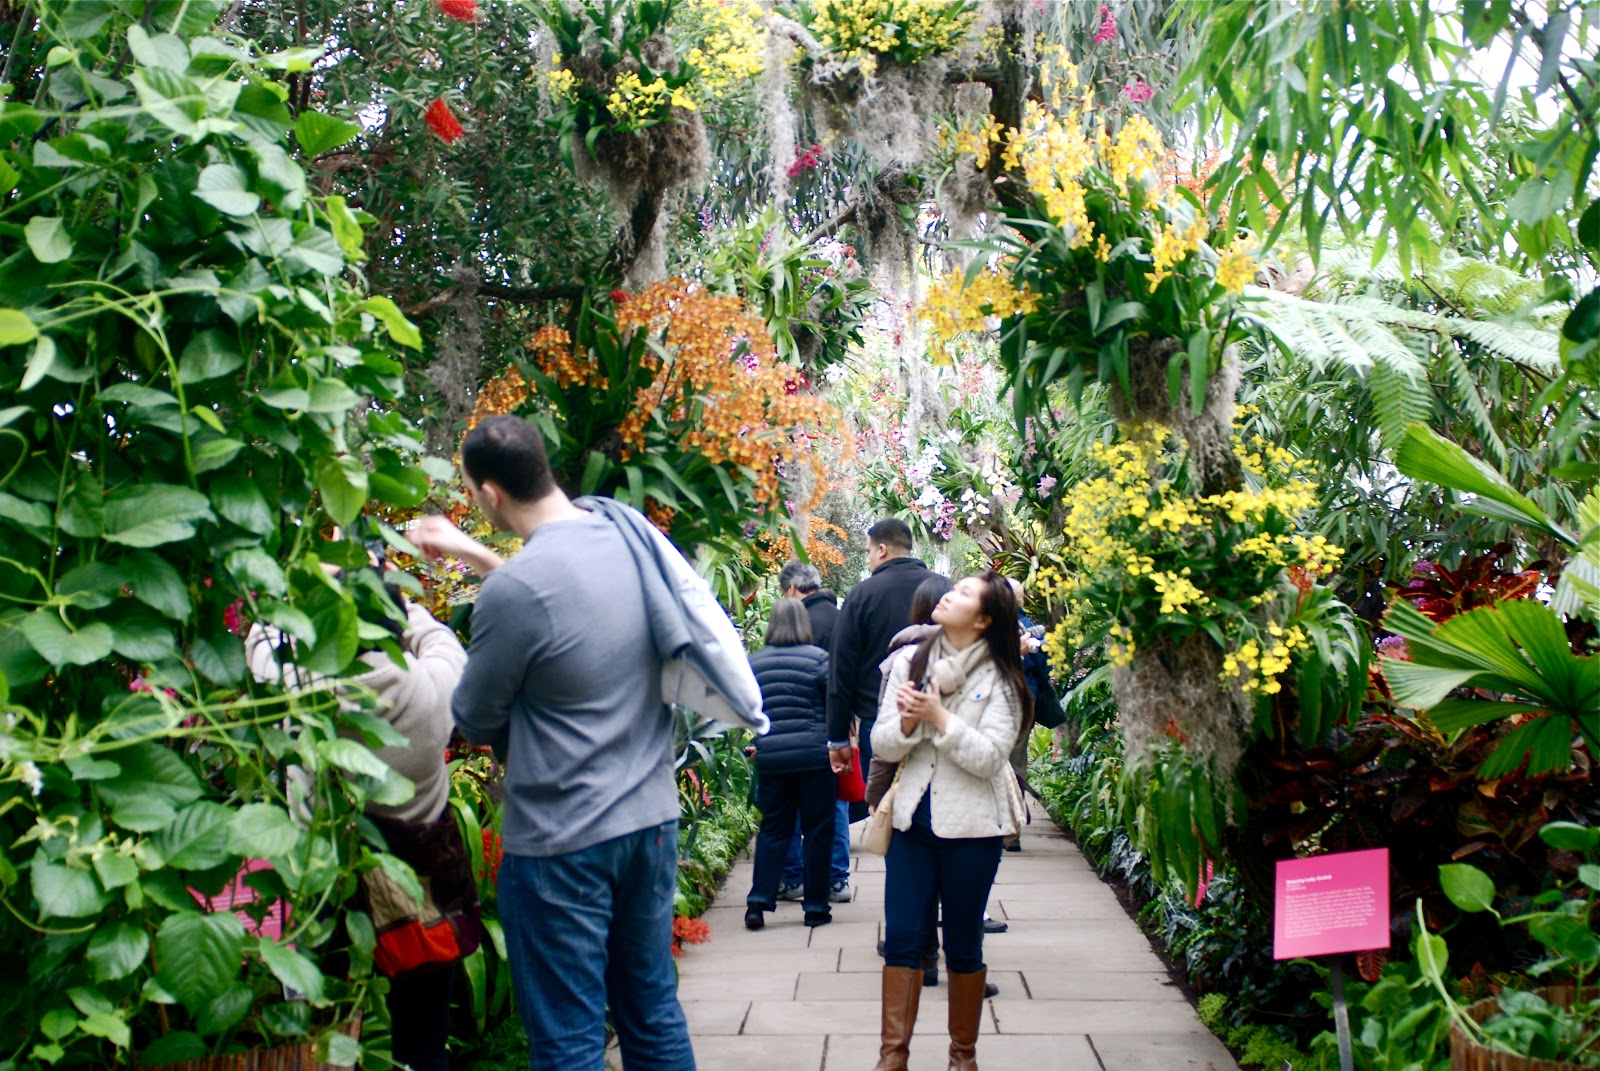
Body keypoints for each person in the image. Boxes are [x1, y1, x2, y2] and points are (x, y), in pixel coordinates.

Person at [408, 415, 695, 1071]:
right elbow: (563, 598)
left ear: (488, 494)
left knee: (568, 1036)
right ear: (545, 467)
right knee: (651, 1012)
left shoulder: (514, 590)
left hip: (565, 840)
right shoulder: (629, 539)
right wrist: (476, 556)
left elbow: (474, 717)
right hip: (649, 820)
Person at [245, 565, 471, 1071]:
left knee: (325, 1040)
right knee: (422, 1041)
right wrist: (393, 595)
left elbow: (259, 638)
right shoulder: (433, 685)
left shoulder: (296, 689)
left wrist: (299, 591)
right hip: (420, 882)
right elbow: (440, 639)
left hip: (327, 879)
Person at [869, 571, 1031, 1071]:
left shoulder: (1002, 680)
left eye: (963, 593)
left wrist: (939, 719)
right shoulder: (910, 663)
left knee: (963, 943)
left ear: (984, 619)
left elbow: (988, 759)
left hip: (973, 832)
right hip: (913, 823)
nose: (947, 595)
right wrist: (912, 722)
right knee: (901, 940)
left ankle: (963, 1058)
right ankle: (892, 1059)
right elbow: (881, 744)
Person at [743, 598, 835, 930]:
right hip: (813, 758)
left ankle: (758, 902)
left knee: (773, 829)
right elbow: (832, 706)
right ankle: (815, 907)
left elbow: (747, 708)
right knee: (818, 831)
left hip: (773, 758)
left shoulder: (755, 663)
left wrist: (758, 742)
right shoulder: (819, 660)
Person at [826, 519, 942, 782]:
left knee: (883, 806)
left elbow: (841, 669)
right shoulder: (945, 590)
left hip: (879, 721)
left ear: (881, 550)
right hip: (939, 717)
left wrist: (837, 737)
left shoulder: (862, 595)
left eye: (867, 552)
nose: (868, 559)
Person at [774, 559, 852, 904]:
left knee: (789, 803)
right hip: (837, 723)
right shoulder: (842, 619)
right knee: (834, 803)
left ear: (791, 589)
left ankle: (792, 877)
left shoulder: (794, 622)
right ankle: (836, 879)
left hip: (795, 726)